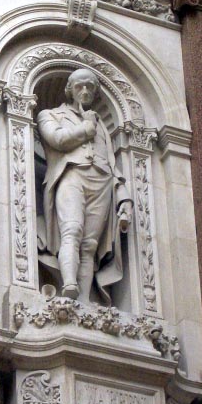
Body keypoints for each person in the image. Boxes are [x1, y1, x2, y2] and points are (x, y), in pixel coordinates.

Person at [37, 68, 133, 304]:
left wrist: (124, 196)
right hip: (72, 176)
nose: (85, 90)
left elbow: (112, 164)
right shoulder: (50, 114)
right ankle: (69, 284)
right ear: (69, 89)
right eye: (80, 86)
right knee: (71, 230)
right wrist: (86, 129)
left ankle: (82, 300)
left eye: (90, 86)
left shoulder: (101, 125)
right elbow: (57, 139)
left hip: (101, 182)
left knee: (89, 246)